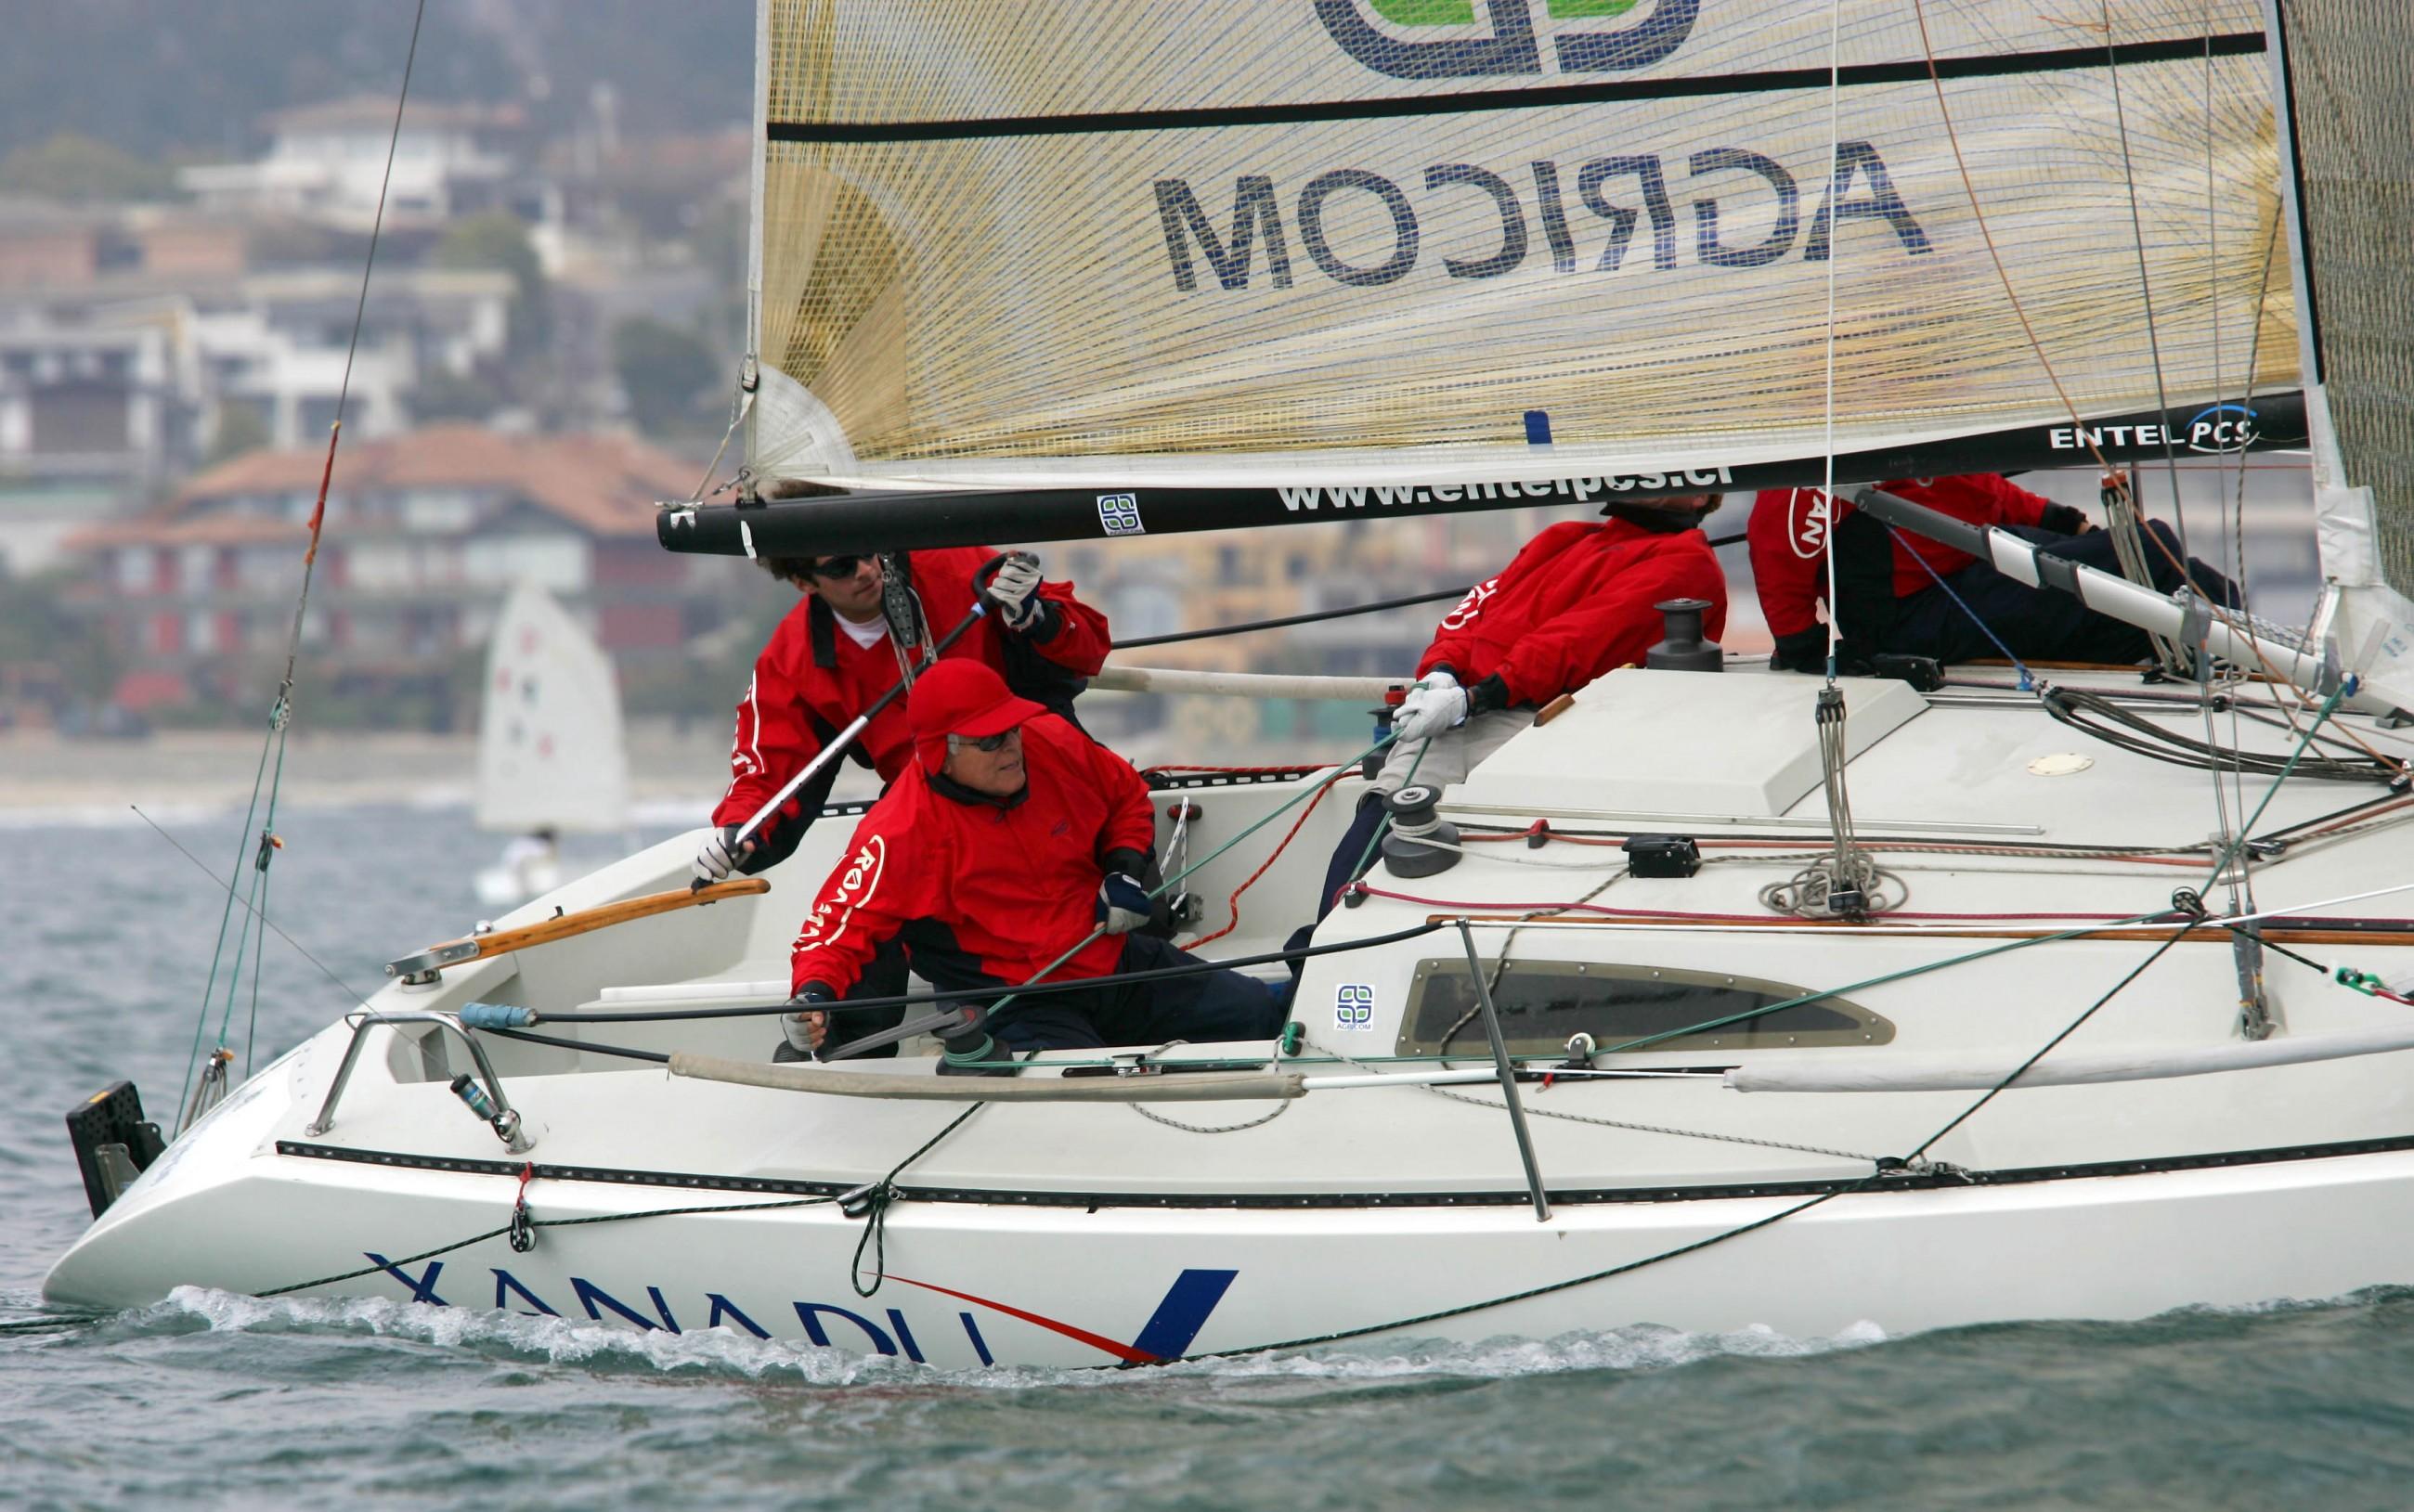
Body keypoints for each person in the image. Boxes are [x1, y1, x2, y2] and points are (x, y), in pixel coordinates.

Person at [783, 659, 1287, 1072]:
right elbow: (834, 928)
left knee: (1268, 1017)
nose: (1011, 747)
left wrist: (1124, 870)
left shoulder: (1051, 741)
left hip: (1114, 964)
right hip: (1016, 999)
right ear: (941, 754)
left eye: (1010, 729)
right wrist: (813, 997)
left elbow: (1126, 799)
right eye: (989, 740)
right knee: (1078, 1097)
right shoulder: (899, 833)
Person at [1310, 493, 1730, 919]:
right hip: (1476, 704)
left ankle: (1313, 963)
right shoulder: (1564, 538)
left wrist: (1471, 697)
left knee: (1408, 814)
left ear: (1700, 494)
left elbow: (1575, 643)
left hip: (1549, 719)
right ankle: (1307, 958)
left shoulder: (1685, 563)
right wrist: (1443, 669)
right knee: (1385, 806)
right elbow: (1476, 612)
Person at [695, 533, 1111, 885]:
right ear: (805, 583)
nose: (865, 570)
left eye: (867, 550)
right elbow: (769, 773)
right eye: (841, 567)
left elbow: (1089, 642)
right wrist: (739, 832)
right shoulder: (791, 660)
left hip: (1042, 771)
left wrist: (1037, 617)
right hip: (932, 811)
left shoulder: (956, 564)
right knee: (881, 898)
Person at [1749, 474, 2242, 672]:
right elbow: (1778, 556)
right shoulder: (1818, 472)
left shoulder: (1908, 430)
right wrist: (1804, 651)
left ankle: (2240, 652)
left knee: (2163, 559)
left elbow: (1976, 490)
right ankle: (2231, 657)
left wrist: (2061, 520)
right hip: (1916, 615)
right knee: (2152, 560)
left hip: (1974, 566)